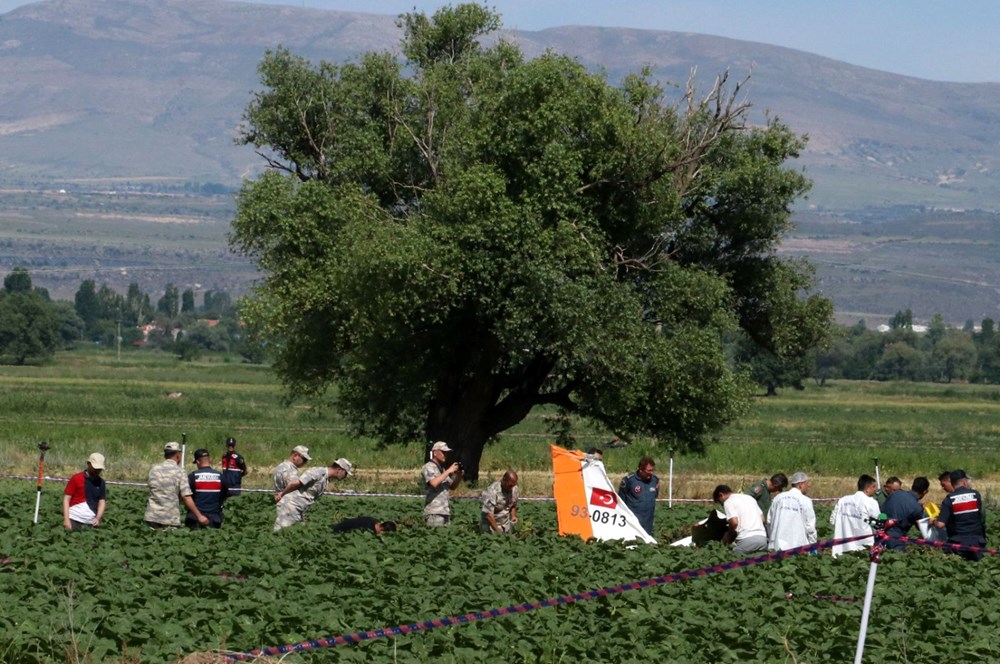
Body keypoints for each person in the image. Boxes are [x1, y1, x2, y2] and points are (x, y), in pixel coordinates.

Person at [273, 458, 353, 532]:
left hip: (299, 509)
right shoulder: (318, 472)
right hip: (291, 506)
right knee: (283, 533)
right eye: (345, 473)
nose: (345, 476)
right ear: (339, 470)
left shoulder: (325, 479)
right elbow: (296, 483)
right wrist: (282, 494)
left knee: (298, 533)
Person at [145, 442, 209, 529]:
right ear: (178, 455)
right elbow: (186, 497)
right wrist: (199, 516)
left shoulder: (153, 470)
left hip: (151, 516)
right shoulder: (180, 472)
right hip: (169, 518)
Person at [934, 469, 987, 561]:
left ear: (952, 483)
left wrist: (933, 521)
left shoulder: (949, 499)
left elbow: (940, 524)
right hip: (977, 542)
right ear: (965, 482)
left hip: (958, 543)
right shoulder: (975, 495)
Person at [829, 474, 881, 557]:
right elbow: (878, 524)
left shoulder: (843, 500)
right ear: (867, 489)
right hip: (862, 547)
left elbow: (832, 521)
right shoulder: (871, 502)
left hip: (842, 547)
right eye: (874, 487)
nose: (875, 490)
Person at [767, 471, 817, 551]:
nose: (809, 486)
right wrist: (813, 544)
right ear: (800, 484)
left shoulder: (778, 498)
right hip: (798, 546)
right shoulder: (806, 501)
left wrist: (772, 539)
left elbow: (769, 520)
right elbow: (810, 527)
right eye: (807, 483)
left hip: (776, 546)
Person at [713, 484, 768, 554]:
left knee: (732, 559)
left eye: (720, 502)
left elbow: (734, 523)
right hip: (762, 538)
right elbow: (762, 519)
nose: (722, 504)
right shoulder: (750, 498)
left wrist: (729, 535)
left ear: (721, 495)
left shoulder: (729, 502)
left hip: (747, 539)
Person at [883, 476, 930, 551]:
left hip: (882, 533)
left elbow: (883, 509)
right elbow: (921, 526)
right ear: (925, 491)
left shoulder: (895, 493)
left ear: (913, 486)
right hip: (897, 539)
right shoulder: (917, 508)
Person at [423, 441, 463, 527]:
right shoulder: (428, 467)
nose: (445, 455)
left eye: (447, 453)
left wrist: (459, 475)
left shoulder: (442, 469)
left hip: (445, 511)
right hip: (434, 512)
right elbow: (433, 483)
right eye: (443, 452)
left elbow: (452, 487)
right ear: (435, 453)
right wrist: (449, 471)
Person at [62, 452, 107, 530]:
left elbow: (102, 502)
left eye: (99, 469)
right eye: (95, 468)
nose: (97, 471)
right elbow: (66, 499)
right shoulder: (76, 478)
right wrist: (66, 520)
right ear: (88, 464)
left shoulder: (101, 482)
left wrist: (98, 518)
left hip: (90, 523)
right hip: (74, 519)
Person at [186, 448, 227, 528]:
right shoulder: (220, 476)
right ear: (209, 460)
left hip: (195, 519)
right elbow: (224, 495)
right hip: (214, 519)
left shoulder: (192, 477)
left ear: (197, 461)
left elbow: (188, 496)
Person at [618, 457, 659, 537]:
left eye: (652, 470)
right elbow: (621, 500)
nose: (651, 473)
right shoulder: (629, 480)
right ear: (641, 469)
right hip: (633, 521)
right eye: (649, 470)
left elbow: (655, 495)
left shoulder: (655, 480)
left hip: (648, 521)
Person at [331, 516, 398, 534]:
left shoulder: (373, 520)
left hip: (338, 526)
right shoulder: (367, 529)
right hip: (338, 531)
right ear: (382, 529)